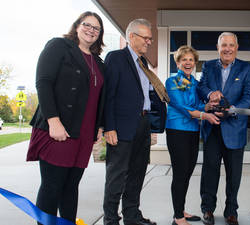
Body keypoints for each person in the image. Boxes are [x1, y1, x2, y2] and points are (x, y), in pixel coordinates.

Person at [26, 11, 106, 224]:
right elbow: (43, 82)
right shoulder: (59, 46)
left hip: (84, 134)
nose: (91, 30)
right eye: (87, 25)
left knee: (71, 187)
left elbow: (99, 99)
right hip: (59, 129)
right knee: (52, 187)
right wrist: (53, 121)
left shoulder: (98, 62)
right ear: (77, 26)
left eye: (96, 28)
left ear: (100, 34)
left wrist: (98, 127)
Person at [103, 18, 166, 225]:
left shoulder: (144, 63)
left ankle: (131, 216)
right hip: (121, 128)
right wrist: (109, 127)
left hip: (142, 124)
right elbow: (108, 95)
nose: (149, 42)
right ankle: (111, 219)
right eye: (146, 38)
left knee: (138, 173)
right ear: (131, 37)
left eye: (150, 38)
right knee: (117, 176)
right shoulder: (116, 58)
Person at [197, 32, 250, 225]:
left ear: (237, 47)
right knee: (210, 172)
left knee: (234, 174)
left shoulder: (247, 69)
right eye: (224, 45)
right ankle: (207, 209)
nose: (227, 49)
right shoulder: (208, 66)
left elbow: (249, 96)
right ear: (218, 47)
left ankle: (232, 211)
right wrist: (209, 94)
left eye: (231, 45)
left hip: (234, 128)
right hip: (212, 128)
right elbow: (201, 86)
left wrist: (230, 110)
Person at [165, 46, 220, 225]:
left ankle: (180, 210)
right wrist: (205, 115)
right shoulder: (171, 82)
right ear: (178, 62)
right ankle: (178, 217)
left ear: (195, 63)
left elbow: (198, 105)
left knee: (187, 172)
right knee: (180, 173)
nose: (188, 63)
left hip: (193, 132)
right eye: (184, 60)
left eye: (191, 60)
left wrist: (211, 105)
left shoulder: (195, 83)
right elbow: (184, 108)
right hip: (177, 131)